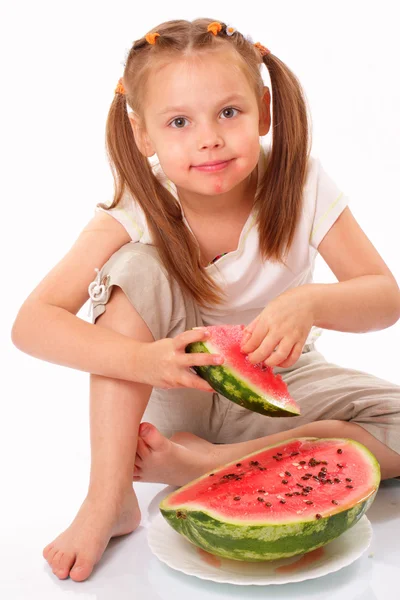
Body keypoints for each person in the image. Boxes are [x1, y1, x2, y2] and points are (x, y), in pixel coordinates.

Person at [11, 17, 400, 583]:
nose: (209, 138)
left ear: (263, 110)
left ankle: (206, 463)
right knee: (137, 269)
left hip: (284, 385)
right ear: (144, 135)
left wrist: (311, 302)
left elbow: (385, 297)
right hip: (177, 389)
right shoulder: (137, 209)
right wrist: (148, 361)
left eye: (229, 112)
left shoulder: (302, 185)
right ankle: (109, 497)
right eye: (178, 122)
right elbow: (31, 324)